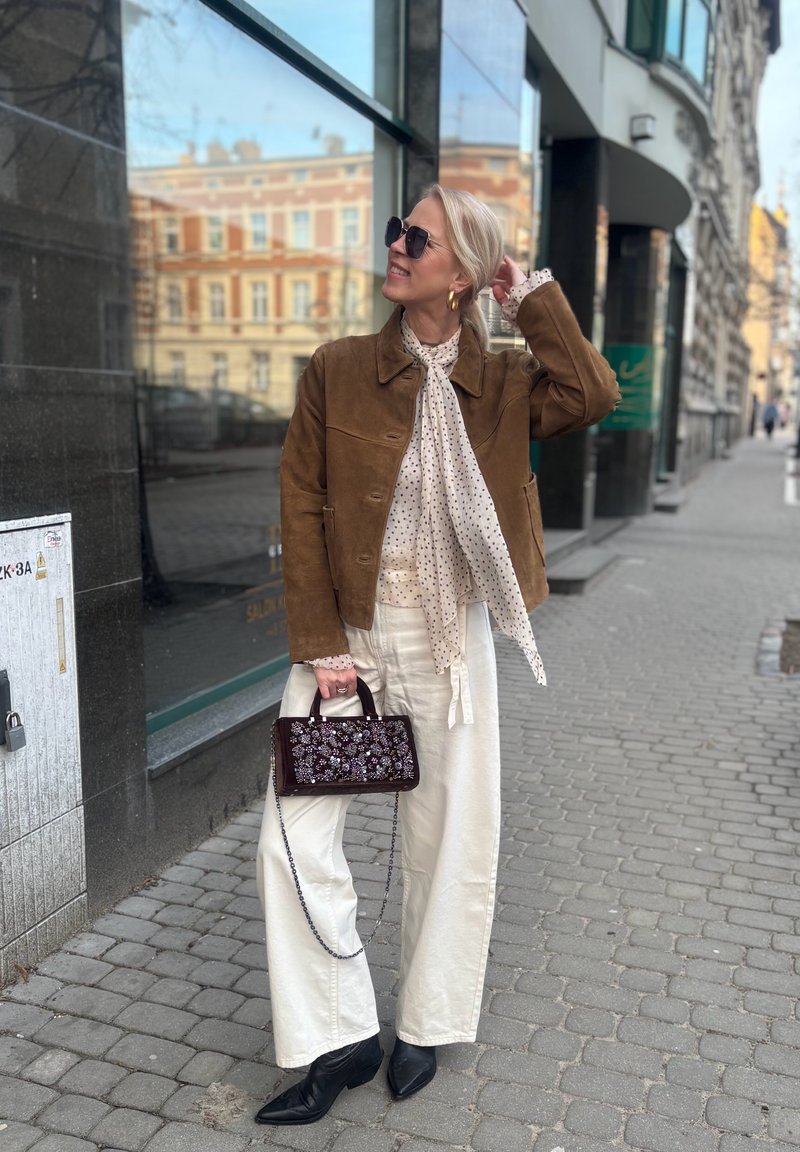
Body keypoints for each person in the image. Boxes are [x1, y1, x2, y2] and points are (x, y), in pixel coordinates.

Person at [255, 185, 620, 1126]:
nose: (396, 245)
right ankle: (336, 1033)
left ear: (458, 273)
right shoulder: (337, 369)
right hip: (350, 643)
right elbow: (300, 503)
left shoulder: (499, 383)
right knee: (293, 838)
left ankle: (424, 1020)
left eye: (418, 237)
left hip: (448, 640)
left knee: (450, 835)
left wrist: (525, 294)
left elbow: (589, 392)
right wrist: (323, 642)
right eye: (396, 230)